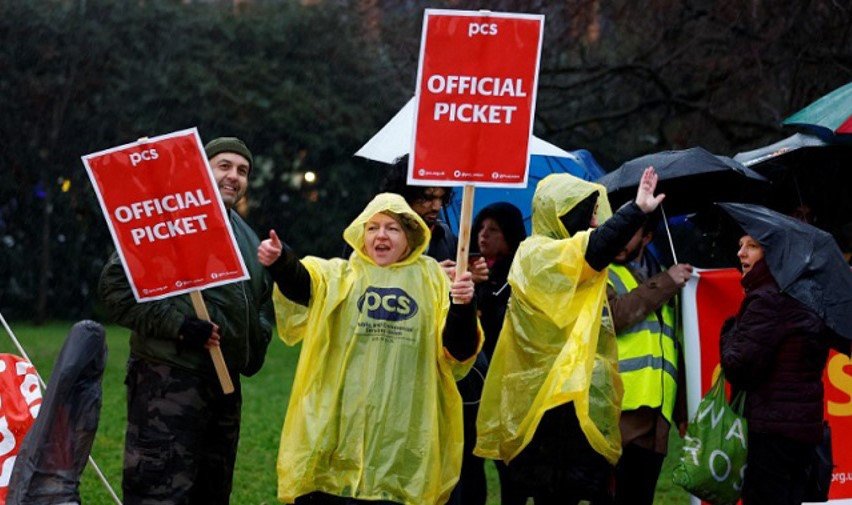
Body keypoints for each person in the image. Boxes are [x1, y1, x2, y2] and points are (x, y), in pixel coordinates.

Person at [258, 193, 480, 505]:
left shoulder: (434, 279)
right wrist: (281, 260)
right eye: (373, 227)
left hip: (404, 430)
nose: (381, 235)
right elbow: (303, 283)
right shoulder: (340, 276)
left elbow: (459, 348)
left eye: (392, 228)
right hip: (340, 426)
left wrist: (463, 306)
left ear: (410, 235)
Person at [99, 137, 274, 504]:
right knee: (159, 492)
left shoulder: (246, 235)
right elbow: (116, 291)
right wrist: (179, 326)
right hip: (168, 384)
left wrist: (253, 341)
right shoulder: (166, 220)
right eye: (223, 165)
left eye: (242, 171)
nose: (234, 176)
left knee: (211, 494)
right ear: (201, 168)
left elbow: (260, 299)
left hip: (225, 390)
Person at [476, 167, 664, 504]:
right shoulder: (537, 253)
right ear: (562, 213)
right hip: (540, 405)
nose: (594, 221)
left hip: (572, 401)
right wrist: (635, 211)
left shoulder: (574, 259)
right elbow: (593, 248)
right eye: (587, 213)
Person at [720, 234, 845, 505]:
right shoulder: (812, 296)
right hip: (805, 431)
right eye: (740, 244)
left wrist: (730, 331)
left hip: (771, 433)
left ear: (774, 255)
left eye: (752, 246)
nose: (741, 253)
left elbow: (737, 367)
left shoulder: (768, 300)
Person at [607, 215, 692, 505]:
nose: (619, 238)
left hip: (657, 415)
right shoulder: (601, 272)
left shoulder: (664, 277)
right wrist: (666, 282)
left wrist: (681, 408)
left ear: (648, 238)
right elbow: (616, 316)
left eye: (630, 232)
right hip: (618, 414)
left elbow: (670, 347)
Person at [468, 202, 527, 505]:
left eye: (493, 230)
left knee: (509, 466)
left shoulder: (518, 278)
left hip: (505, 381)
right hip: (473, 382)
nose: (483, 236)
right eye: (480, 229)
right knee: (469, 461)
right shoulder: (470, 273)